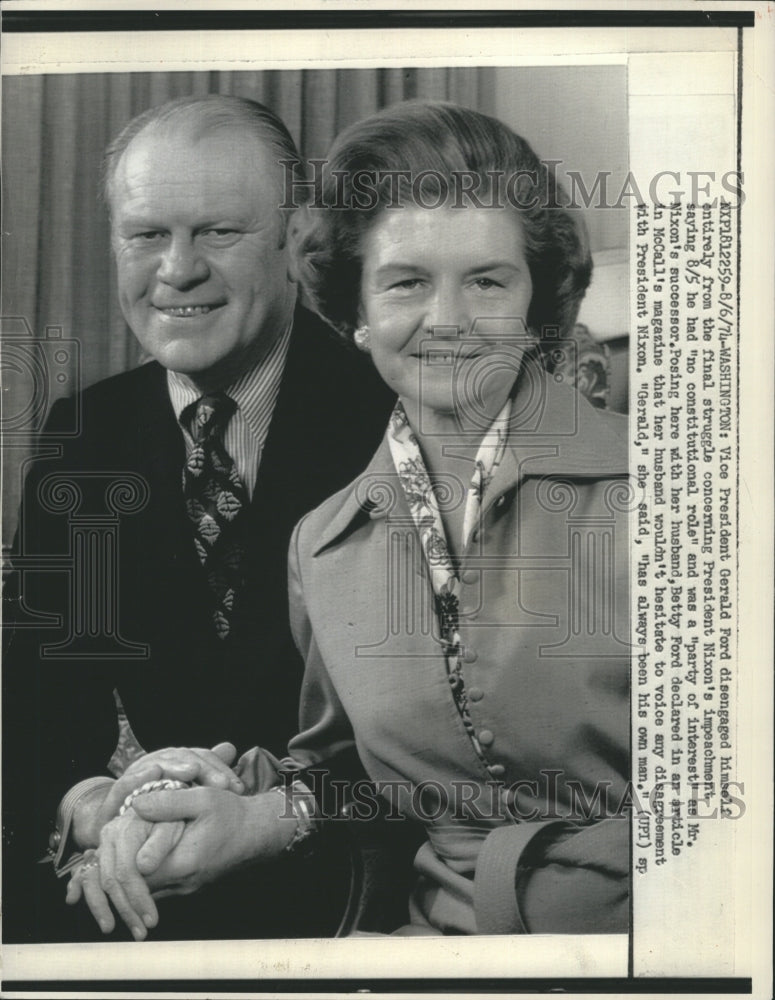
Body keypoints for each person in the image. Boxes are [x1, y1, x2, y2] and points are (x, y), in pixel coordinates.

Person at [67, 100, 631, 937]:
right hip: (418, 948)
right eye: (406, 282)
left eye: (486, 280)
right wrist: (195, 788)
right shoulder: (326, 541)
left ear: (536, 299)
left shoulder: (667, 492)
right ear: (355, 313)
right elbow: (344, 773)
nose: (446, 319)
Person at [1, 94, 394, 942]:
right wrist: (93, 804)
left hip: (342, 881)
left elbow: (442, 742)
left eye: (219, 232)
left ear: (294, 240)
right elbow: (33, 700)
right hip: (138, 867)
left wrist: (267, 813)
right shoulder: (87, 435)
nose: (177, 270)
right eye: (146, 235)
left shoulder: (388, 416)